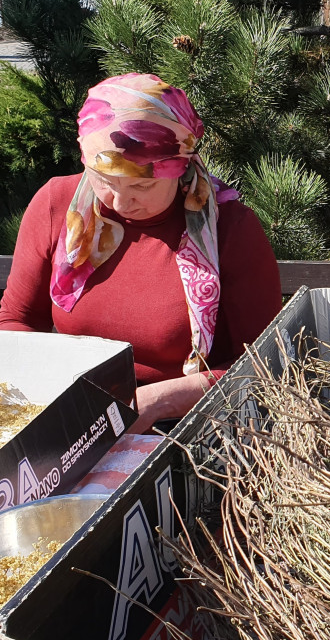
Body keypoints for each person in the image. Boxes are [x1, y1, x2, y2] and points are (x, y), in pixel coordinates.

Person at [0, 73, 283, 434]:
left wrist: (159, 402)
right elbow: (17, 321)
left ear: (180, 167)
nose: (120, 202)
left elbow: (264, 364)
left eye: (142, 185)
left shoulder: (230, 229)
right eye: (104, 181)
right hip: (73, 417)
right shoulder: (58, 205)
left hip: (185, 428)